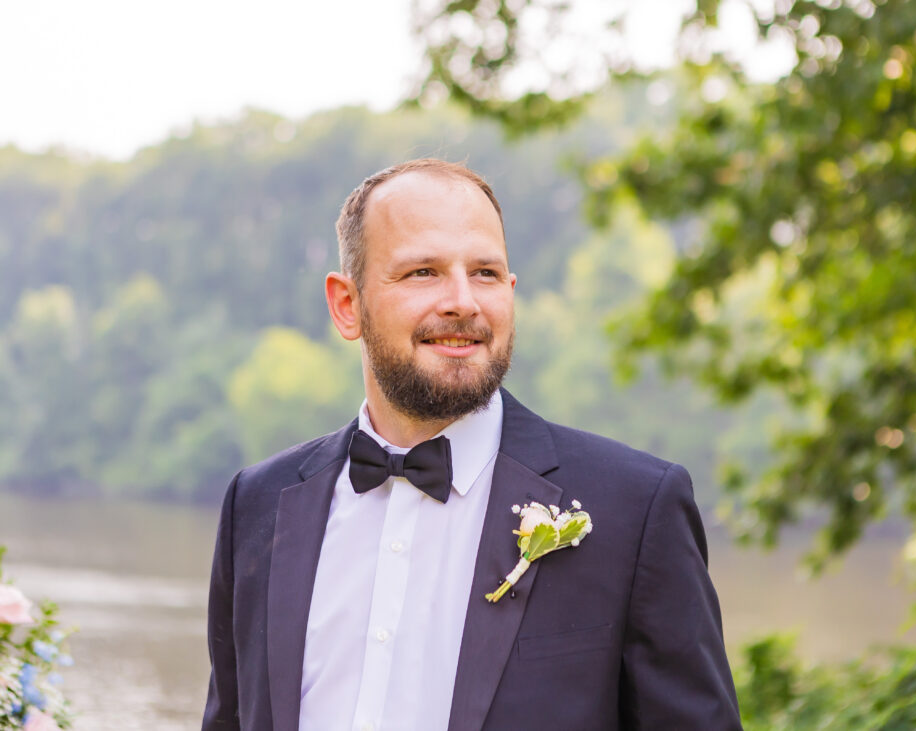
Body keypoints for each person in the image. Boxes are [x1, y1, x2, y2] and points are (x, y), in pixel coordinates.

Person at [202, 159, 741, 731]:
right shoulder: (257, 505)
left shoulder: (634, 509)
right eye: (423, 273)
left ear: (510, 291)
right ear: (347, 305)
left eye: (484, 273)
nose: (463, 301)